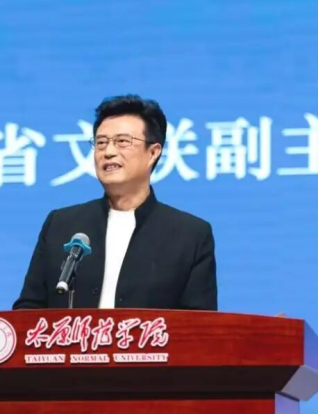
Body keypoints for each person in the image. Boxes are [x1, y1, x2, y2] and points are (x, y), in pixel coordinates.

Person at [12, 94, 217, 310]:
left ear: (153, 153)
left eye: (122, 141)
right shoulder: (61, 225)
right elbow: (28, 309)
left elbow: (199, 324)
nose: (108, 152)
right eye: (101, 143)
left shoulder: (190, 235)